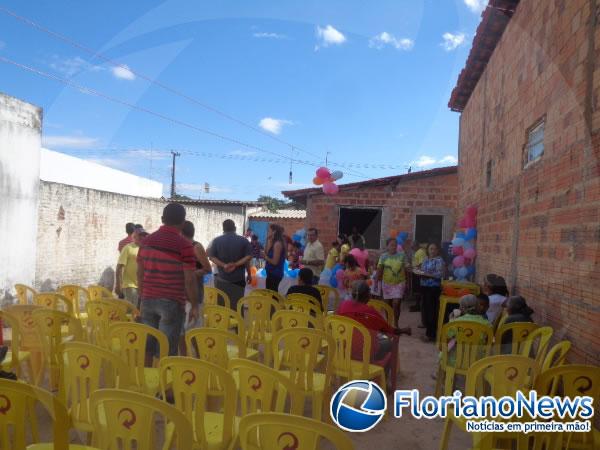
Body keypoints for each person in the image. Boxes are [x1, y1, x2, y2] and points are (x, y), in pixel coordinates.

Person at [137, 203, 198, 356]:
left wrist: (142, 296)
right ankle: (164, 379)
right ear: (183, 223)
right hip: (172, 303)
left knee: (147, 348)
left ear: (162, 219)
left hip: (147, 300)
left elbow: (140, 273)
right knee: (167, 350)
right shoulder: (185, 245)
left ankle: (147, 378)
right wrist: (195, 305)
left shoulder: (145, 242)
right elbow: (189, 280)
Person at [337, 281, 410, 361]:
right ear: (367, 296)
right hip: (366, 354)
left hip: (343, 349)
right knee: (389, 342)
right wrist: (403, 331)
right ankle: (386, 371)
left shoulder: (343, 306)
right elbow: (389, 331)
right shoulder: (371, 312)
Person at [208, 219, 253, 310]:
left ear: (223, 228)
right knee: (237, 306)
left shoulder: (216, 241)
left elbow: (211, 257)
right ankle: (237, 324)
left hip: (222, 279)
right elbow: (248, 258)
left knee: (222, 306)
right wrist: (247, 272)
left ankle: (223, 324)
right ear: (235, 228)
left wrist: (224, 265)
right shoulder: (244, 241)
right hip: (238, 280)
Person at [418, 243, 446, 342]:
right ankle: (429, 332)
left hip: (433, 288)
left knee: (432, 311)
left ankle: (431, 334)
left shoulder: (439, 261)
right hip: (424, 287)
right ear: (427, 250)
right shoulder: (426, 259)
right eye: (431, 249)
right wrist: (419, 272)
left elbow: (440, 274)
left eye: (434, 249)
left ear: (438, 250)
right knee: (425, 310)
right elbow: (422, 271)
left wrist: (427, 275)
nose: (432, 251)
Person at [376, 238, 407, 326]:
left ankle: (396, 323)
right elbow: (379, 269)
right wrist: (376, 282)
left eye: (395, 245)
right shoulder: (383, 256)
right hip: (386, 284)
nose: (394, 247)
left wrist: (408, 282)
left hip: (399, 283)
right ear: (387, 246)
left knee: (396, 303)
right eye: (392, 245)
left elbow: (407, 268)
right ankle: (389, 322)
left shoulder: (402, 255)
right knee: (387, 305)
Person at [115, 226, 148, 307]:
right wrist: (118, 285)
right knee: (131, 311)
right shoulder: (128, 248)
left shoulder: (146, 248)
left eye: (144, 235)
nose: (142, 237)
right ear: (134, 236)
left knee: (139, 312)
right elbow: (119, 267)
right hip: (130, 285)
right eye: (140, 235)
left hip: (142, 286)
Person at [264, 224, 286, 292]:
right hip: (270, 272)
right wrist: (268, 240)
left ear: (274, 232)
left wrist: (265, 257)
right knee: (269, 294)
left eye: (269, 230)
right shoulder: (273, 242)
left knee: (272, 295)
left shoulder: (277, 244)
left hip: (275, 274)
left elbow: (275, 262)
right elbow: (267, 252)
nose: (268, 232)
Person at [409, 241, 427, 312]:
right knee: (416, 290)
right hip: (416, 273)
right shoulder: (418, 252)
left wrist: (414, 268)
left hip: (419, 274)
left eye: (412, 246)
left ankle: (419, 306)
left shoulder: (420, 252)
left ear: (416, 246)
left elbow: (422, 263)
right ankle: (417, 305)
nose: (411, 248)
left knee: (418, 290)